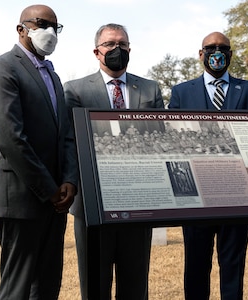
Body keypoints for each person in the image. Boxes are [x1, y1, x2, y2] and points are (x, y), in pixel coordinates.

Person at [0, 4, 78, 300]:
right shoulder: (3, 68)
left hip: (56, 200)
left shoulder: (53, 76)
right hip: (21, 199)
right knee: (18, 288)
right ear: (21, 29)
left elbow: (66, 135)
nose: (49, 32)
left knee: (47, 285)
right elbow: (11, 139)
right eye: (41, 24)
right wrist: (48, 189)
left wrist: (69, 182)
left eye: (54, 27)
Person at [64, 23, 164, 300]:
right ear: (97, 52)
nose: (116, 49)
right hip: (93, 203)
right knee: (95, 284)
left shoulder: (150, 89)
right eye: (110, 44)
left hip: (139, 202)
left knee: (135, 286)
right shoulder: (75, 90)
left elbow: (160, 139)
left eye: (122, 44)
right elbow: (69, 143)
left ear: (130, 49)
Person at [168, 31, 248, 300]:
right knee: (196, 266)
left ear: (231, 55)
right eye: (210, 48)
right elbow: (174, 140)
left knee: (233, 266)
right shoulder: (181, 93)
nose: (217, 52)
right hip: (196, 196)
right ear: (201, 54)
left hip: (238, 193)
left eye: (223, 48)